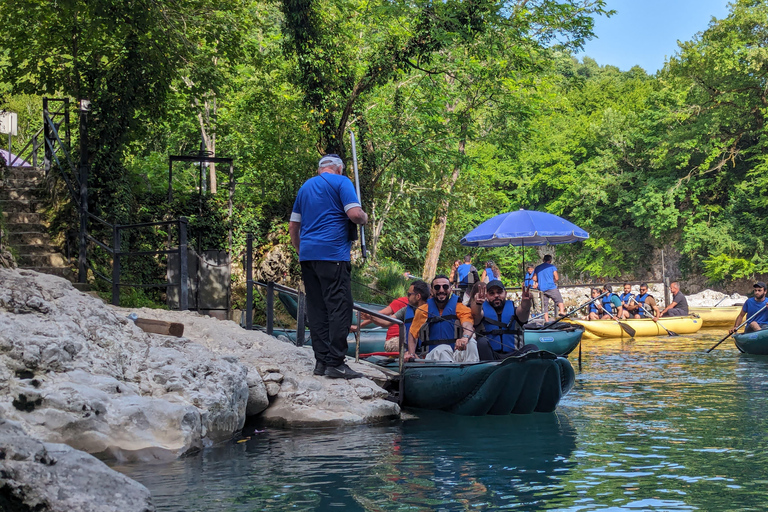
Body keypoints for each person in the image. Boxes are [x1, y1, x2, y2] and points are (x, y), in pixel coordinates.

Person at [289, 154, 368, 380]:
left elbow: (294, 225)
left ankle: (321, 362)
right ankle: (336, 362)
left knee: (317, 308)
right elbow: (354, 214)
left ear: (319, 170)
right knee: (340, 308)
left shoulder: (305, 187)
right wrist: (364, 217)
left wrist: (300, 250)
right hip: (333, 255)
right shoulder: (342, 182)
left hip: (308, 257)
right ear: (339, 169)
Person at [405, 275, 478, 362]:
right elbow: (412, 335)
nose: (441, 290)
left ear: (450, 289)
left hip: (455, 354)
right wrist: (412, 354)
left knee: (471, 343)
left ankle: (470, 371)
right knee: (443, 349)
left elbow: (468, 325)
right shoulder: (423, 310)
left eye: (445, 287)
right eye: (437, 287)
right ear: (432, 291)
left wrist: (465, 337)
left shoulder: (460, 308)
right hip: (433, 357)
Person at [360, 280, 430, 352]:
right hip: (408, 351)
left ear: (418, 296)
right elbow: (386, 322)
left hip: (426, 352)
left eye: (409, 294)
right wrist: (371, 317)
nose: (407, 297)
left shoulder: (431, 311)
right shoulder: (405, 310)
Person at [471, 280, 533, 360]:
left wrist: (526, 302)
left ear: (505, 293)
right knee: (482, 342)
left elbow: (524, 310)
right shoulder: (482, 311)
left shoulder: (515, 311)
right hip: (491, 356)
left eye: (499, 292)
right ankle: (490, 370)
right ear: (486, 296)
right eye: (492, 293)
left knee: (532, 348)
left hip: (514, 356)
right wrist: (478, 303)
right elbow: (476, 314)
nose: (496, 295)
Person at [533, 255, 565, 321]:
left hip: (542, 288)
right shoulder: (552, 267)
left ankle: (546, 320)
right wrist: (552, 281)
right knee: (559, 300)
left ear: (543, 260)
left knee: (545, 305)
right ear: (550, 260)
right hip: (551, 287)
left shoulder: (538, 268)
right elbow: (556, 278)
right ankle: (562, 311)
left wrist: (540, 280)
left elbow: (534, 278)